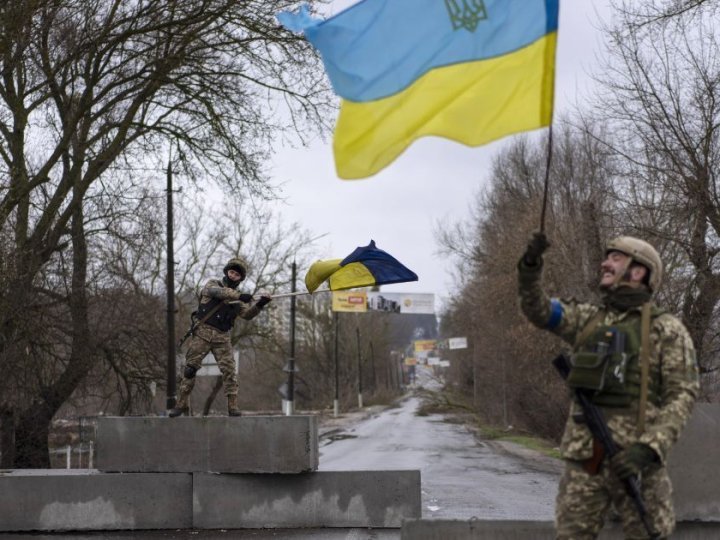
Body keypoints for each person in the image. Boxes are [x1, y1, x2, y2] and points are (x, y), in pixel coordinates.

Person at [517, 233, 699, 539]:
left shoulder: (666, 330)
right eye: (607, 257)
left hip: (638, 464)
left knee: (650, 533)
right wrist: (531, 265)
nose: (605, 263)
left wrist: (650, 448)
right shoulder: (587, 320)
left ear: (638, 271)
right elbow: (538, 310)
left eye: (616, 258)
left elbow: (682, 395)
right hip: (587, 460)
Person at [169, 257, 271, 418]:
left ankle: (233, 406)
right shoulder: (212, 285)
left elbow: (247, 314)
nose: (233, 276)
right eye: (231, 272)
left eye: (237, 275)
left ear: (240, 278)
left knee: (230, 372)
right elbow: (219, 293)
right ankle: (181, 404)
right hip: (202, 333)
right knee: (190, 369)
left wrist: (260, 304)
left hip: (222, 338)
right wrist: (239, 295)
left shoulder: (238, 301)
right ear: (226, 272)